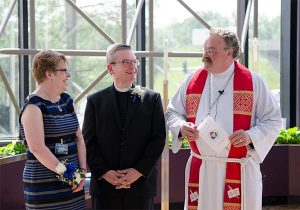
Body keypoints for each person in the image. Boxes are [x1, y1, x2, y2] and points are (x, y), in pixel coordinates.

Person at [166, 28, 282, 210]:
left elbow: (273, 120)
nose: (205, 55)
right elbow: (172, 112)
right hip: (201, 167)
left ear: (229, 53)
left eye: (211, 50)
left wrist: (250, 136)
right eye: (204, 49)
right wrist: (181, 126)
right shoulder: (192, 81)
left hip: (239, 168)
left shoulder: (253, 82)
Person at [82, 43, 166, 210]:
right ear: (110, 68)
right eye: (126, 62)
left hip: (140, 186)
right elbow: (88, 142)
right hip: (105, 187)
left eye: (134, 61)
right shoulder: (95, 101)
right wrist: (105, 173)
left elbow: (158, 139)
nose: (132, 66)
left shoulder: (151, 98)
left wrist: (137, 171)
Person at [19, 50, 87, 209]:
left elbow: (79, 138)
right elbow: (37, 149)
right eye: (64, 70)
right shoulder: (33, 105)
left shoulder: (66, 100)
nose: (68, 75)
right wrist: (70, 174)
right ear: (49, 74)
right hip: (45, 186)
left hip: (74, 182)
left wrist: (81, 172)